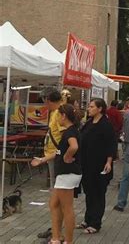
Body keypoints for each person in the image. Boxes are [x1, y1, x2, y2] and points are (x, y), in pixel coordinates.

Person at [32, 104, 81, 244]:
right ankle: (56, 237)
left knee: (67, 208)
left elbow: (74, 146)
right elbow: (58, 152)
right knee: (54, 204)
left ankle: (67, 241)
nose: (56, 118)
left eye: (58, 115)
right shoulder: (69, 131)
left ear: (64, 116)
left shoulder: (70, 132)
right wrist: (42, 159)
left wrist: (67, 157)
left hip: (68, 173)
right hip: (65, 173)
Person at [79, 98, 116, 234]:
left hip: (100, 164)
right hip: (87, 164)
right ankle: (87, 219)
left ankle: (95, 223)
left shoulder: (105, 125)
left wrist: (109, 161)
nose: (89, 109)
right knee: (89, 192)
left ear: (100, 109)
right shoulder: (88, 123)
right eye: (89, 106)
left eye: (92, 106)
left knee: (98, 194)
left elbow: (111, 144)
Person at [37, 89, 64, 240]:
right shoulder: (55, 112)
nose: (44, 104)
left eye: (44, 101)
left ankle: (57, 232)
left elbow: (67, 138)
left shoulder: (60, 113)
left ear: (48, 100)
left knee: (57, 197)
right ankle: (54, 227)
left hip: (56, 157)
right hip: (52, 156)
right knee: (55, 195)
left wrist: (57, 154)